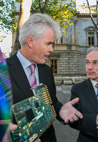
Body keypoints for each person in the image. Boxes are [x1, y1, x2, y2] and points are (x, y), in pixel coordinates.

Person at [6, 13, 82, 142]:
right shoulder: (3, 71)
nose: (52, 49)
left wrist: (60, 110)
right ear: (30, 41)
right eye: (48, 44)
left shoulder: (46, 70)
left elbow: (50, 101)